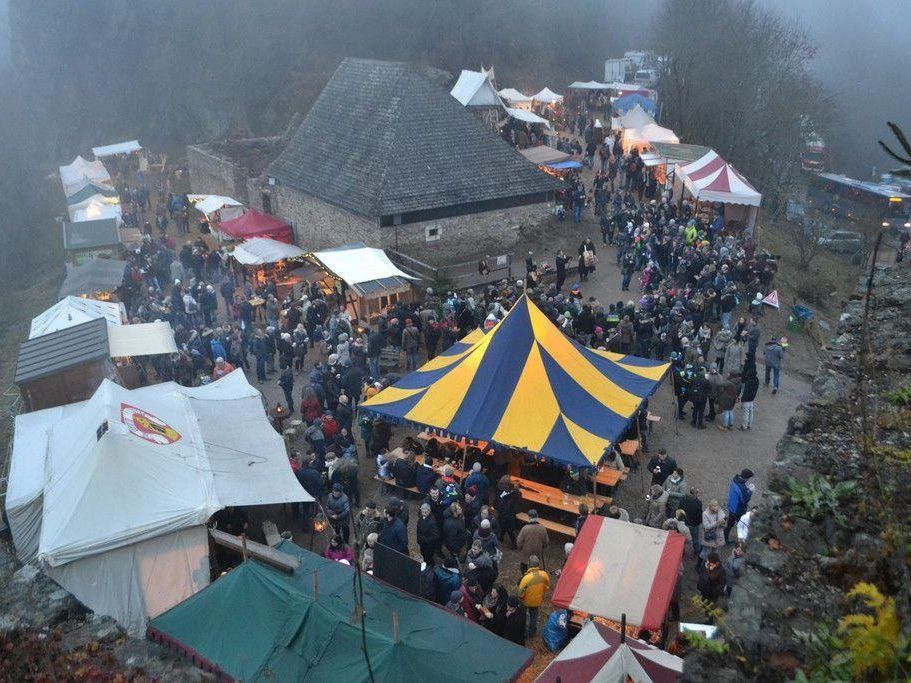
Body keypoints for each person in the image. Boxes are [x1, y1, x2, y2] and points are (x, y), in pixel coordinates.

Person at [518, 556, 550, 638]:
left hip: (525, 601)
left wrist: (521, 598)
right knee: (534, 617)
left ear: (529, 565)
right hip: (537, 600)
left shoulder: (526, 578)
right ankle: (531, 633)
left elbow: (520, 592)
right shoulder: (544, 575)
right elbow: (546, 586)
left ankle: (523, 631)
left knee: (523, 615)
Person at [725, 469, 755, 542]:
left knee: (729, 525)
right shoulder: (742, 488)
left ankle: (725, 538)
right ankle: (741, 541)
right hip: (738, 510)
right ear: (747, 478)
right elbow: (745, 500)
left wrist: (747, 489)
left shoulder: (735, 480)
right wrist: (750, 491)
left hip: (732, 507)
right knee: (742, 525)